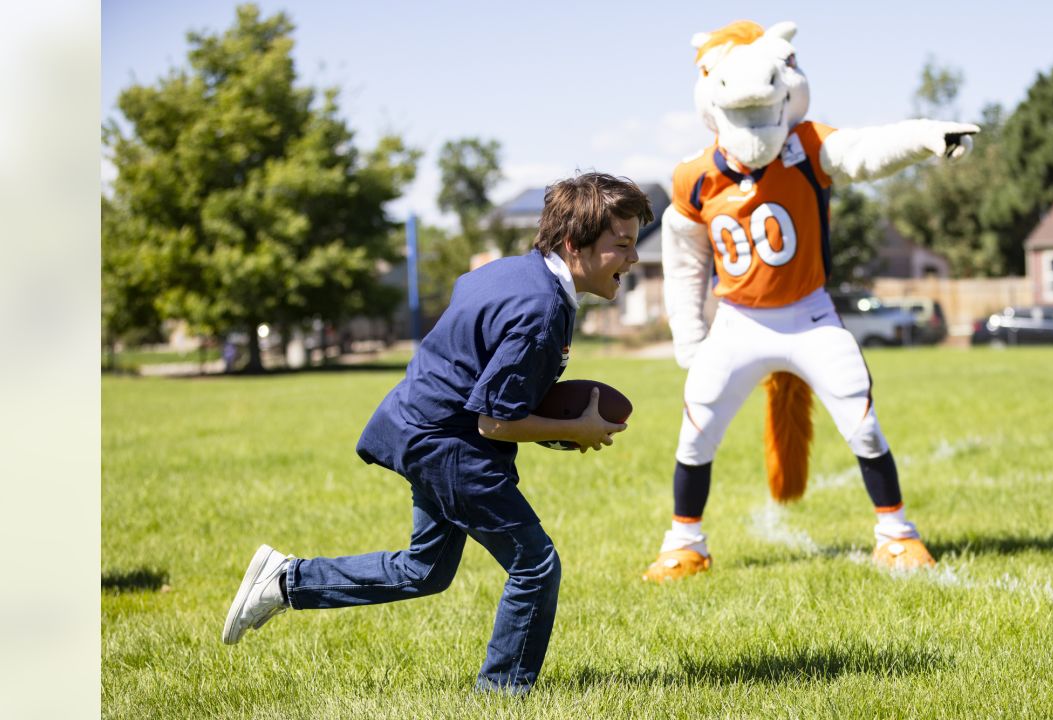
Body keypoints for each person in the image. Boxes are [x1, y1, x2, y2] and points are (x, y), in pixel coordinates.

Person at [222, 172, 653, 695]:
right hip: (447, 443)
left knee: (424, 571)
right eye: (622, 246)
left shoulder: (512, 273)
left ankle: (286, 580)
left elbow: (476, 347)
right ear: (573, 244)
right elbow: (493, 420)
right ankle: (501, 696)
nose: (632, 259)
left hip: (422, 425)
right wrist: (575, 428)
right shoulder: (541, 311)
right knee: (535, 566)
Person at [643, 20, 979, 581]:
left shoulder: (807, 147)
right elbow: (684, 261)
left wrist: (924, 137)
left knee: (863, 423)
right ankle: (685, 544)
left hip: (808, 315)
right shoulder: (694, 177)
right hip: (738, 321)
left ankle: (896, 534)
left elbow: (867, 150)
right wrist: (689, 331)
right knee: (696, 430)